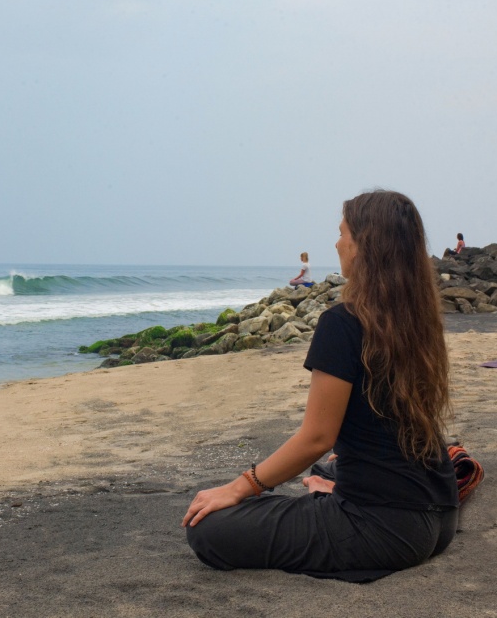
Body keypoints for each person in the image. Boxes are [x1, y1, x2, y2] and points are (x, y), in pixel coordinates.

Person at [183, 190, 458, 582]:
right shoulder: (419, 320)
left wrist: (240, 488)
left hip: (383, 527)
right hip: (437, 516)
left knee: (208, 529)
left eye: (344, 233)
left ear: (365, 246)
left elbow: (316, 437)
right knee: (326, 468)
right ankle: (335, 487)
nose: (337, 242)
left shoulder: (343, 322)